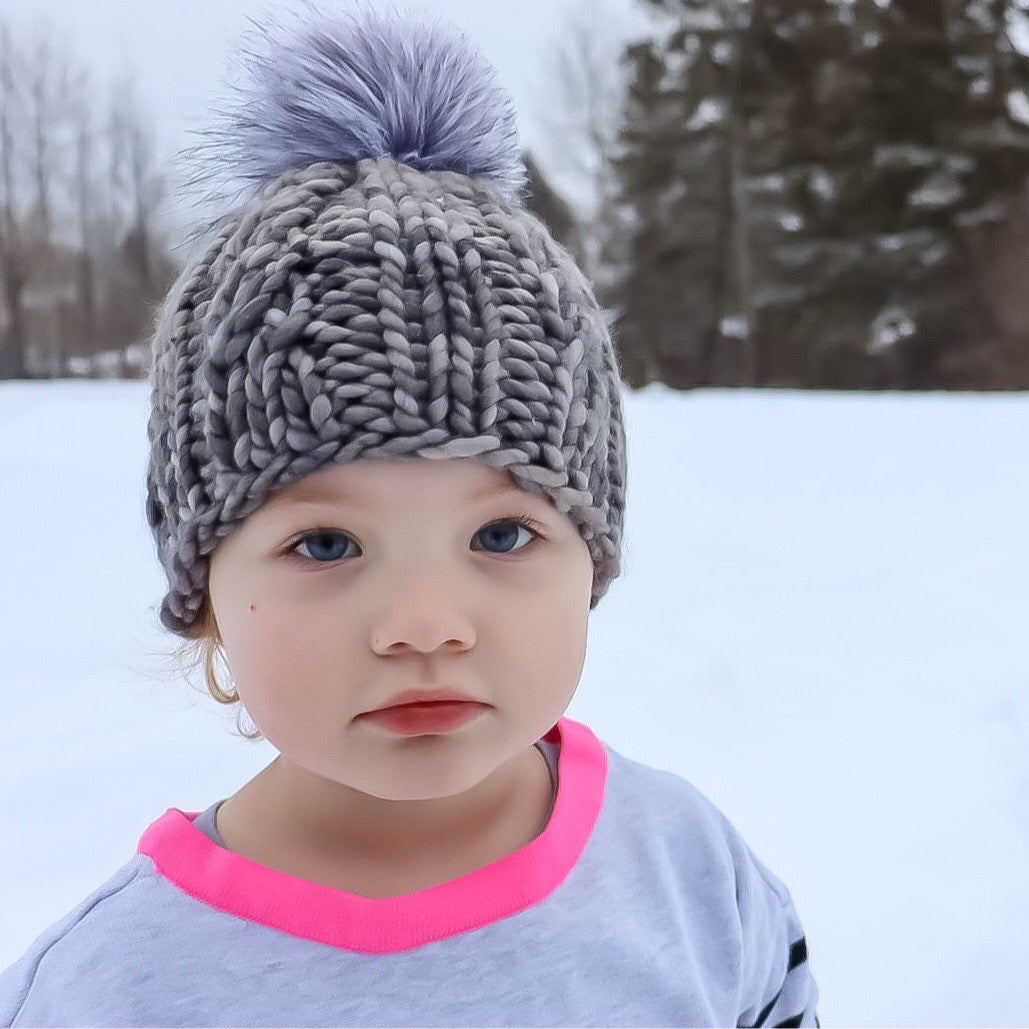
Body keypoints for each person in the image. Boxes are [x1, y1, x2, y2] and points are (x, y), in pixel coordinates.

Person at [0, 6, 818, 1027]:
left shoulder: (688, 869)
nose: (427, 622)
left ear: (591, 559)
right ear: (207, 591)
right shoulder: (113, 988)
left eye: (503, 535)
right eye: (327, 544)